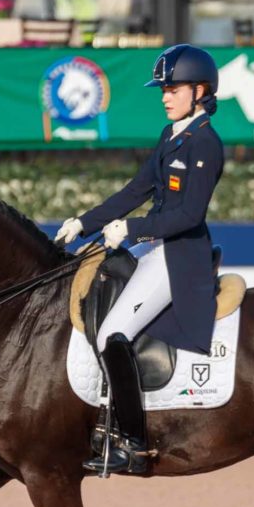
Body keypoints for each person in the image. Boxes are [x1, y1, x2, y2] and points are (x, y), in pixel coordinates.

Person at [54, 44, 225, 476]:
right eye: (163, 89)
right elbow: (135, 191)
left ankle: (133, 441)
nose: (165, 96)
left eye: (173, 88)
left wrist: (131, 230)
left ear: (200, 90)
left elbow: (189, 215)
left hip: (180, 255)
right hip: (155, 246)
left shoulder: (205, 143)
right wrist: (84, 222)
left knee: (114, 334)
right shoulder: (171, 136)